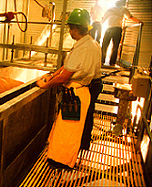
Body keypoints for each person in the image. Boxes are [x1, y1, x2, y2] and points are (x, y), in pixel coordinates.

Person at [36, 8, 102, 169]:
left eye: (70, 28)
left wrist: (45, 84)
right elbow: (67, 67)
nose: (70, 31)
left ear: (75, 29)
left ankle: (61, 162)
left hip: (75, 94)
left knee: (68, 130)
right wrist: (52, 74)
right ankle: (61, 158)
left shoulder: (82, 48)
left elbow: (65, 76)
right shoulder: (93, 44)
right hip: (83, 91)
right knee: (69, 129)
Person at [101, 0, 143, 66]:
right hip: (117, 29)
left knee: (105, 45)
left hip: (110, 28)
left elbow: (103, 19)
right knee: (115, 47)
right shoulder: (123, 9)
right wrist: (139, 21)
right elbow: (130, 17)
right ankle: (112, 62)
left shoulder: (110, 9)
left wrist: (102, 22)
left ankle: (102, 61)